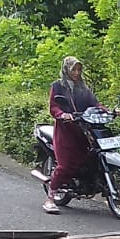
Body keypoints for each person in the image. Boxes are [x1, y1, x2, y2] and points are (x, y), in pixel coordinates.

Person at [43, 56, 106, 213]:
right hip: (66, 131)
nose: (77, 73)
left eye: (79, 69)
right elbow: (53, 107)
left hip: (83, 129)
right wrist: (63, 114)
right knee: (64, 165)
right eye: (73, 69)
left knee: (92, 156)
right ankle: (50, 199)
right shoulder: (58, 86)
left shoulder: (82, 87)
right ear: (66, 69)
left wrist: (109, 111)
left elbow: (94, 103)